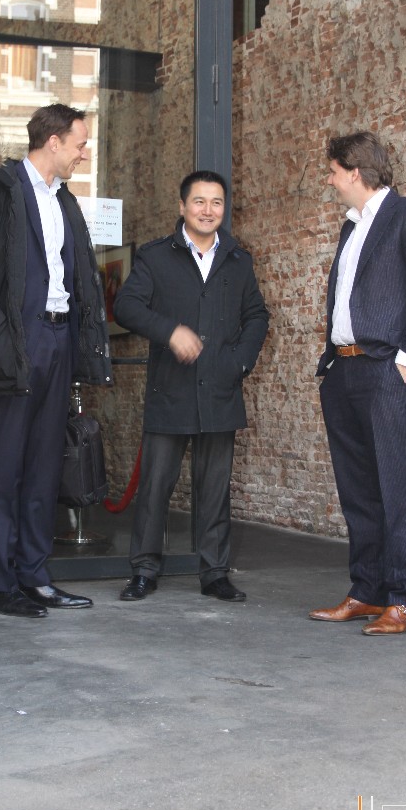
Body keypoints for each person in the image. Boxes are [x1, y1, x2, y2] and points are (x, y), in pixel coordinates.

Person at [0, 103, 113, 619]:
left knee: (43, 467)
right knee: (7, 468)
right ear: (53, 142)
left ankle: (35, 577)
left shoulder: (63, 201)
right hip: (16, 341)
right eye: (80, 143)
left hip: (58, 339)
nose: (84, 153)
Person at [309, 132, 406, 635]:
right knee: (357, 490)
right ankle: (367, 590)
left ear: (354, 171)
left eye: (332, 172)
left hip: (386, 368)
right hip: (343, 370)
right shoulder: (352, 225)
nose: (329, 180)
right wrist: (332, 364)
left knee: (394, 486)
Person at [113, 170, 268, 602]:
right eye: (199, 201)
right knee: (155, 487)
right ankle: (144, 571)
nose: (208, 210)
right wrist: (169, 331)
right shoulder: (155, 257)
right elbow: (126, 305)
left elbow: (257, 315)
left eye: (216, 202)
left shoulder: (238, 260)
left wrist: (240, 361)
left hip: (219, 388)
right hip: (171, 389)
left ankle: (215, 573)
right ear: (182, 207)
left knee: (214, 490)